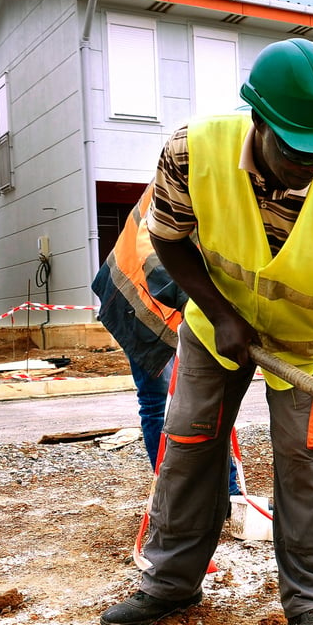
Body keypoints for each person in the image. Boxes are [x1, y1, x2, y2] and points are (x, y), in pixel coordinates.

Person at [100, 38, 313, 625]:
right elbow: (168, 239)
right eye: (299, 151)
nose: (312, 166)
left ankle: (310, 604)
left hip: (304, 347)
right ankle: (171, 582)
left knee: (303, 464)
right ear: (261, 121)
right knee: (189, 445)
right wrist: (220, 313)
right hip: (217, 332)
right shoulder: (191, 153)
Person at [91, 188, 242, 496]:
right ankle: (173, 496)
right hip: (137, 298)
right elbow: (151, 244)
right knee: (158, 401)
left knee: (212, 402)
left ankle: (226, 495)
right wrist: (205, 309)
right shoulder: (189, 171)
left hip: (192, 304)